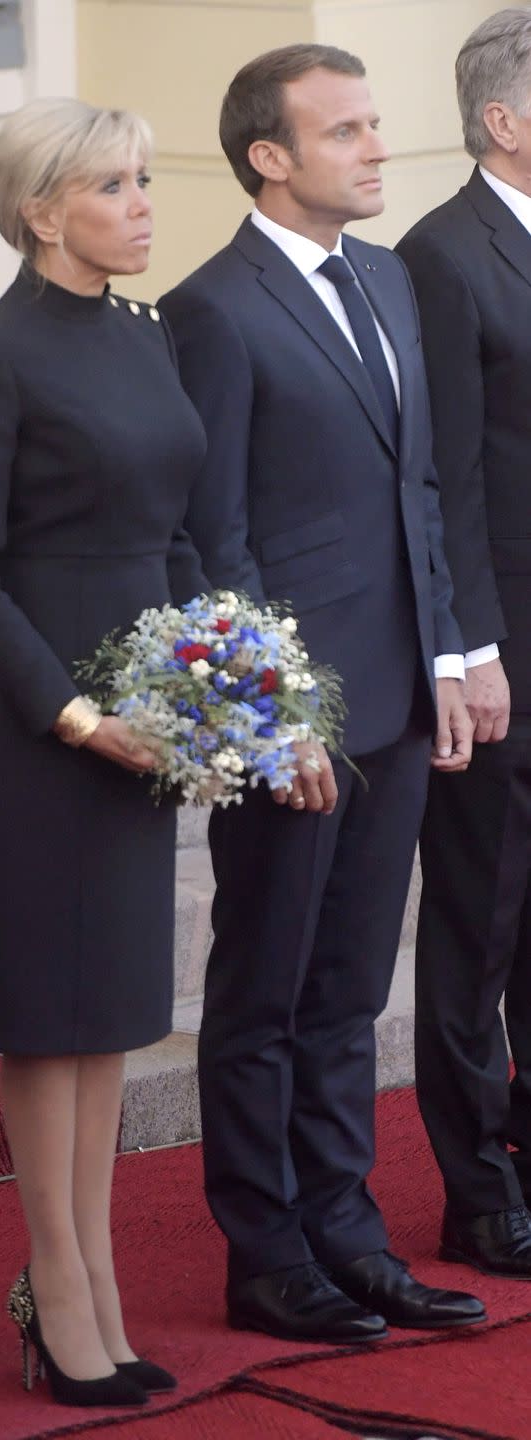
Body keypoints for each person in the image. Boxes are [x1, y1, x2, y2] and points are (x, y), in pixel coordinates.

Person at [160, 44, 485, 1343]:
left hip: (401, 693)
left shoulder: (394, 277)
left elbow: (423, 490)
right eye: (343, 130)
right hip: (292, 719)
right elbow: (208, 539)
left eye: (371, 123)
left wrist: (450, 654)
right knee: (267, 989)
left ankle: (347, 1233)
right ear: (268, 156)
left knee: (352, 990)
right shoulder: (211, 308)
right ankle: (268, 1253)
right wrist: (264, 717)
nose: (375, 144)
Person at [0, 97, 206, 1407]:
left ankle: (94, 1286)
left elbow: (183, 530)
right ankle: (60, 1297)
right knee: (49, 1019)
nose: (144, 201)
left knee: (109, 1017)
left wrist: (212, 689)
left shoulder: (147, 337)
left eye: (145, 179)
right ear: (43, 211)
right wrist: (82, 717)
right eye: (114, 184)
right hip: (57, 728)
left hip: (150, 714)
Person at [397, 7, 531, 1278]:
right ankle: (473, 1188)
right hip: (502, 653)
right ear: (504, 120)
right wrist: (466, 647)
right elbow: (442, 475)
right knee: (478, 926)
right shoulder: (443, 254)